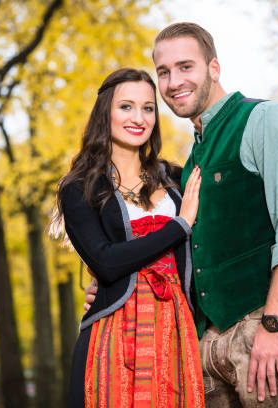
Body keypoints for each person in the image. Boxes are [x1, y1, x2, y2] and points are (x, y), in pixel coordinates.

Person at [85, 23, 278, 407]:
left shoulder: (265, 120)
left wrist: (274, 323)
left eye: (185, 67)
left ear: (214, 68)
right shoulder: (193, 156)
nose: (173, 81)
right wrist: (120, 284)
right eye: (163, 72)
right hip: (207, 340)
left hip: (266, 323)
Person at [52, 68, 205, 408]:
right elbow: (106, 263)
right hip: (111, 334)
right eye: (126, 107)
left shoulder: (177, 180)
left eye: (148, 108)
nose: (139, 118)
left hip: (175, 331)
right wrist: (179, 225)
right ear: (105, 112)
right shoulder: (79, 187)